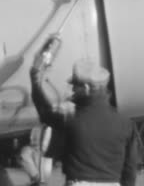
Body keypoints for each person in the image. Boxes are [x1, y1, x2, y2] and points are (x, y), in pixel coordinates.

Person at [30, 40, 137, 186]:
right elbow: (130, 168)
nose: (73, 90)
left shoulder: (70, 119)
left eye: (75, 85)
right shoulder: (125, 123)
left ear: (87, 88)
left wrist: (35, 80)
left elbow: (44, 112)